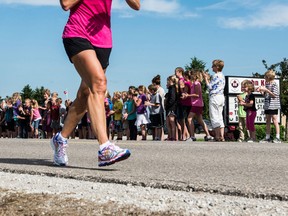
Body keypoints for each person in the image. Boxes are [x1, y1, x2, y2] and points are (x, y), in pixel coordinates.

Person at [51, 0, 140, 166]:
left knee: (85, 95)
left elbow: (136, 5)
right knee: (99, 85)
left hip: (103, 40)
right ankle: (105, 148)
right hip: (77, 33)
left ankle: (60, 139)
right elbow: (66, 4)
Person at [184, 70, 213, 141]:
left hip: (196, 104)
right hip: (197, 104)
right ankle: (208, 135)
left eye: (192, 75)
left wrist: (188, 95)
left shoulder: (197, 84)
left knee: (189, 119)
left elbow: (197, 95)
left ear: (195, 75)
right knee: (200, 120)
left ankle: (192, 136)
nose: (191, 76)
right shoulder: (195, 83)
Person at [203, 59, 226, 141]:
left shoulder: (215, 75)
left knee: (214, 116)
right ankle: (222, 136)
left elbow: (210, 87)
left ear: (217, 67)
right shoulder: (222, 75)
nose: (211, 67)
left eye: (213, 66)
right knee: (220, 116)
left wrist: (206, 79)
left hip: (214, 97)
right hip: (221, 96)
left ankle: (217, 136)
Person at [257, 70, 281, 143]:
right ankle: (267, 137)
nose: (264, 78)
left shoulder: (274, 84)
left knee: (274, 120)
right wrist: (262, 92)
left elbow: (274, 95)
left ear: (268, 77)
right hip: (267, 105)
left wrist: (266, 90)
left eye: (265, 76)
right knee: (267, 120)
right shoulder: (267, 84)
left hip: (273, 105)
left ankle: (278, 137)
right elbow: (266, 95)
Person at [164, 75, 178, 141]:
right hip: (168, 108)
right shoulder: (170, 88)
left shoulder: (173, 88)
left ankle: (173, 136)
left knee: (172, 123)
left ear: (171, 81)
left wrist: (168, 104)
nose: (167, 82)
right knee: (168, 123)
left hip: (171, 108)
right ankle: (169, 136)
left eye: (168, 81)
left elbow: (172, 98)